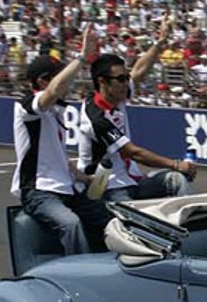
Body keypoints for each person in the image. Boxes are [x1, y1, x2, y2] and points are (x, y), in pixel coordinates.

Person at [12, 24, 114, 254]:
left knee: (109, 219)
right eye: (59, 77)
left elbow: (58, 159)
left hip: (66, 188)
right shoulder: (27, 107)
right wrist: (81, 58)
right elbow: (53, 92)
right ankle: (78, 275)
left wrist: (86, 179)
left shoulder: (56, 112)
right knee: (71, 224)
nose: (68, 84)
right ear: (41, 81)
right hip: (37, 191)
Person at [77, 35, 197, 202]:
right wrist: (176, 164)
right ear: (102, 82)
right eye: (121, 79)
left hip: (131, 180)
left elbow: (139, 71)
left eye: (126, 78)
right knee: (136, 216)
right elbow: (133, 153)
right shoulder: (95, 118)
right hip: (106, 188)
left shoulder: (116, 94)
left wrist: (160, 42)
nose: (126, 83)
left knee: (177, 180)